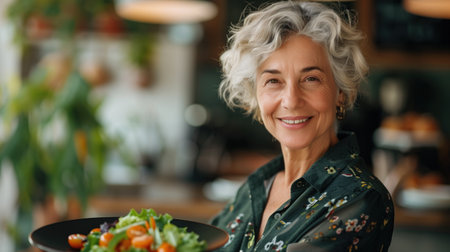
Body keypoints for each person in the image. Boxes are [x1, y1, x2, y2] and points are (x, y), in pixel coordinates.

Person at [211, 1, 394, 251]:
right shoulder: (256, 186)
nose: (291, 100)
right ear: (255, 95)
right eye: (273, 81)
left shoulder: (360, 198)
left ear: (340, 91)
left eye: (310, 79)